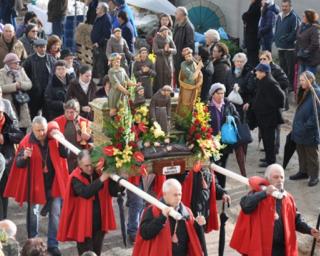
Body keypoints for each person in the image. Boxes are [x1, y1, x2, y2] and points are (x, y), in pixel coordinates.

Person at [4, 117, 69, 256]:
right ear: (32, 129)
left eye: (44, 129)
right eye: (38, 130)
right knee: (33, 215)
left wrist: (62, 140)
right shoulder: (26, 142)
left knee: (55, 214)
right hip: (36, 185)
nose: (42, 133)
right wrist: (24, 157)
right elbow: (18, 164)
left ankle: (53, 244)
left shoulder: (54, 137)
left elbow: (65, 154)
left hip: (53, 183)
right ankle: (33, 244)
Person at [230, 164, 320, 255]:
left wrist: (309, 230)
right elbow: (245, 206)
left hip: (281, 249)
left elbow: (296, 221)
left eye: (282, 177)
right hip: (261, 248)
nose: (279, 180)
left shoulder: (288, 198)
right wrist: (265, 193)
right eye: (276, 177)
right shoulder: (257, 193)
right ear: (267, 179)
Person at [57, 150, 116, 256]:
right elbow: (85, 193)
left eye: (91, 165)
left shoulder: (98, 172)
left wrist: (119, 177)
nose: (90, 168)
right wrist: (102, 179)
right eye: (86, 166)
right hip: (83, 225)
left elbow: (113, 191)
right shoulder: (75, 177)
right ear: (79, 164)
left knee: (97, 253)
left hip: (99, 223)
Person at [133, 178, 207, 256]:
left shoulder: (187, 211)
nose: (178, 198)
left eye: (180, 194)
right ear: (165, 194)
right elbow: (145, 234)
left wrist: (198, 224)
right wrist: (162, 217)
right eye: (175, 195)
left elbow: (193, 237)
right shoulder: (152, 210)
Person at [251, 63, 285, 167]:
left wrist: (271, 106)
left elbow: (281, 97)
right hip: (263, 116)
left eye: (257, 71)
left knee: (269, 139)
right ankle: (268, 157)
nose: (256, 72)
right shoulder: (262, 80)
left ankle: (271, 160)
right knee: (265, 139)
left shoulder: (270, 82)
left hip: (269, 117)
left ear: (263, 73)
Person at [290, 71, 320, 187]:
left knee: (311, 154)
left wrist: (306, 126)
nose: (300, 82)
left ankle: (314, 176)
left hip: (309, 130)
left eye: (302, 80)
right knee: (301, 152)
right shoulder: (305, 91)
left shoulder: (316, 93)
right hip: (300, 128)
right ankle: (303, 172)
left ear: (310, 80)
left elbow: (316, 114)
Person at [208, 83, 240, 188]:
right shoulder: (208, 106)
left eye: (223, 93)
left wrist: (231, 119)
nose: (221, 95)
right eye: (219, 93)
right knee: (215, 164)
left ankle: (222, 188)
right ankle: (215, 188)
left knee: (223, 165)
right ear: (213, 94)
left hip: (225, 141)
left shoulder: (228, 105)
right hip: (213, 143)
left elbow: (238, 118)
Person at [0, 101, 23, 220]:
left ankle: (3, 222)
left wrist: (6, 137)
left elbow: (20, 136)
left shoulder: (9, 123)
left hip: (7, 162)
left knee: (4, 194)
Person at [55, 99, 92, 171]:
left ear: (77, 112)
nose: (69, 114)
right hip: (64, 157)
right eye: (67, 112)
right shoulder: (57, 122)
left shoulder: (85, 123)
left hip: (79, 156)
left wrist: (89, 137)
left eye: (71, 112)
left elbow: (92, 141)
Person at [23, 38, 56, 119]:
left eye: (44, 47)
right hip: (35, 92)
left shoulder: (51, 59)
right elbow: (24, 74)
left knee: (47, 114)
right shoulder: (30, 60)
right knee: (33, 113)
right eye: (40, 47)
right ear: (36, 48)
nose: (43, 49)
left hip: (47, 91)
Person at [0, 53, 32, 132]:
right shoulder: (1, 72)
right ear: (9, 63)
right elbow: (1, 88)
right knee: (12, 127)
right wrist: (14, 86)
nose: (18, 64)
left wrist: (21, 84)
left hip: (22, 102)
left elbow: (29, 84)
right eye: (15, 62)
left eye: (18, 62)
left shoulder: (21, 70)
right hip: (10, 103)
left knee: (23, 127)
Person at [274, 0, 300, 91]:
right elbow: (276, 28)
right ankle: (283, 83)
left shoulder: (294, 17)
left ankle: (290, 86)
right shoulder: (280, 15)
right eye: (283, 6)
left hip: (290, 48)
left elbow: (295, 31)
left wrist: (286, 39)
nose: (284, 8)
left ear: (290, 6)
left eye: (286, 6)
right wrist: (276, 38)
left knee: (290, 68)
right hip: (280, 46)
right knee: (282, 66)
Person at [177, 47, 203, 117]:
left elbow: (199, 75)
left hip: (194, 88)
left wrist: (199, 82)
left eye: (190, 55)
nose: (188, 58)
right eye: (186, 56)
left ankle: (188, 119)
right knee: (185, 103)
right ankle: (182, 120)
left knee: (192, 103)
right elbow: (192, 77)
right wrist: (198, 68)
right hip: (187, 87)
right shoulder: (183, 64)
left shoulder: (194, 63)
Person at [107, 52, 136, 116]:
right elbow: (117, 84)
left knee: (122, 111)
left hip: (122, 94)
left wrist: (135, 85)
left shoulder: (122, 70)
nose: (117, 63)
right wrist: (126, 91)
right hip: (115, 94)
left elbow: (127, 80)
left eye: (119, 61)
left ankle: (121, 125)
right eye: (116, 61)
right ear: (112, 62)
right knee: (113, 111)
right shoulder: (111, 71)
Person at [173, 7, 195, 88]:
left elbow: (190, 44)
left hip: (182, 58)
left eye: (176, 13)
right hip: (176, 55)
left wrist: (184, 55)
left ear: (182, 15)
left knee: (182, 77)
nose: (175, 14)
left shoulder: (188, 27)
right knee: (177, 76)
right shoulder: (178, 24)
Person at [91, 2, 112, 80]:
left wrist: (98, 42)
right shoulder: (98, 16)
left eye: (98, 8)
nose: (96, 9)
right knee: (96, 61)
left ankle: (103, 79)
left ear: (103, 9)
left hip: (102, 45)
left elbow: (107, 34)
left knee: (101, 62)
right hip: (96, 44)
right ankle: (96, 76)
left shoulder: (106, 19)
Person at [296, 9, 320, 75]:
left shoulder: (314, 28)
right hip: (302, 58)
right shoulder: (302, 26)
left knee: (309, 81)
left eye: (304, 16)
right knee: (302, 79)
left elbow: (315, 44)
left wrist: (306, 51)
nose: (302, 17)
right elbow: (299, 37)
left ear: (308, 18)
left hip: (311, 59)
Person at [153, 26, 176, 92]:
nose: (166, 32)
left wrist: (169, 50)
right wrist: (164, 50)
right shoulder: (156, 39)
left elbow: (175, 50)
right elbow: (155, 50)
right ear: (161, 32)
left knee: (168, 75)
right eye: (164, 31)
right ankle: (159, 91)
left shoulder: (169, 38)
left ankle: (169, 90)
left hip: (168, 61)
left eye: (167, 31)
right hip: (160, 61)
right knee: (160, 76)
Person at [242, 0, 262, 67]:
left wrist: (244, 16)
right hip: (251, 35)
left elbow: (247, 16)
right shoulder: (255, 4)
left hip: (253, 35)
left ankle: (252, 70)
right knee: (251, 55)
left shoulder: (256, 5)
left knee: (252, 57)